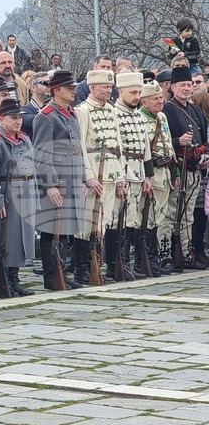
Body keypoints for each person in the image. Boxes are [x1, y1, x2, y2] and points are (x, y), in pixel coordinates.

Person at [32, 70, 86, 290]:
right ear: (56, 90)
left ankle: (61, 272)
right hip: (56, 183)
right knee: (50, 230)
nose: (74, 91)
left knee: (65, 229)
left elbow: (78, 150)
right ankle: (52, 276)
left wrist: (82, 179)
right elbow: (41, 155)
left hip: (72, 180)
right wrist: (49, 185)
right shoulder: (45, 117)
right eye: (69, 88)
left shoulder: (70, 114)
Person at [0, 97, 37, 298]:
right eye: (13, 118)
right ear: (2, 119)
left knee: (20, 242)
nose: (18, 121)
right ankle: (4, 282)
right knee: (5, 241)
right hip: (7, 194)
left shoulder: (24, 138)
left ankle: (14, 279)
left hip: (25, 193)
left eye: (19, 117)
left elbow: (32, 168)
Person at [73, 69, 126, 284]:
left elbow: (118, 145)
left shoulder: (112, 111)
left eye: (110, 86)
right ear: (93, 87)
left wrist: (121, 175)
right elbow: (80, 148)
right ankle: (82, 269)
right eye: (104, 86)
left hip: (112, 174)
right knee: (87, 224)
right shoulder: (82, 111)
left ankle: (98, 266)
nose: (109, 89)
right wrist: (87, 176)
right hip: (95, 173)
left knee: (103, 223)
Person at [163, 66, 208, 271]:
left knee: (189, 214)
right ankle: (167, 254)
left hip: (195, 168)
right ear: (173, 87)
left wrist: (204, 156)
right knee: (172, 213)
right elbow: (163, 142)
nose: (187, 89)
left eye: (189, 85)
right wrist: (178, 141)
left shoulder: (196, 110)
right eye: (182, 85)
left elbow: (203, 139)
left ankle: (187, 252)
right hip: (177, 169)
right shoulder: (167, 109)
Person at [112, 72, 154, 280]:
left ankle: (132, 263)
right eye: (133, 92)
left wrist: (148, 176)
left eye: (139, 92)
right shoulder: (114, 113)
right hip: (124, 169)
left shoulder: (138, 114)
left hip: (138, 171)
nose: (137, 96)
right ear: (121, 92)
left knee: (135, 220)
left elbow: (145, 147)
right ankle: (120, 263)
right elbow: (116, 148)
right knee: (121, 220)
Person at [139, 82, 175, 276]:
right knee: (150, 218)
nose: (160, 101)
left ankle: (160, 255)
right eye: (155, 98)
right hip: (153, 171)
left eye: (161, 97)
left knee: (162, 216)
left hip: (166, 171)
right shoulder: (140, 118)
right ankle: (149, 258)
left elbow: (168, 144)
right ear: (144, 101)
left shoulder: (162, 117)